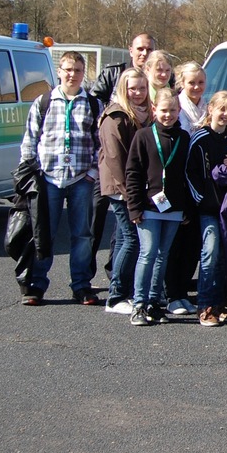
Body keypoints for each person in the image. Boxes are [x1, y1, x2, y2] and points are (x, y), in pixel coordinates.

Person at [17, 51, 101, 306]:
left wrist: (92, 173)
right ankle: (37, 285)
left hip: (80, 179)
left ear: (83, 72)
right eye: (67, 69)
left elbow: (100, 144)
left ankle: (81, 285)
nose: (72, 75)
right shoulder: (43, 101)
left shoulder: (93, 104)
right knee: (44, 233)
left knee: (83, 235)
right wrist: (31, 172)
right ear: (59, 71)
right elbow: (30, 140)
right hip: (49, 179)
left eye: (77, 70)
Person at [125, 87, 189, 326]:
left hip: (174, 208)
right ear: (154, 109)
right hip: (149, 206)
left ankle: (154, 302)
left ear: (179, 110)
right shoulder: (143, 136)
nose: (168, 115)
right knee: (148, 253)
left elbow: (185, 175)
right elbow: (132, 172)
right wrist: (134, 207)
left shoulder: (184, 138)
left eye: (173, 110)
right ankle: (139, 304)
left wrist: (186, 209)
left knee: (163, 257)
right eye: (163, 110)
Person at [185, 90, 227, 327]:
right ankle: (205, 306)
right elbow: (190, 173)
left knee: (222, 256)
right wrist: (202, 200)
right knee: (209, 253)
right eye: (221, 109)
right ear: (210, 109)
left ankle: (219, 305)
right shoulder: (199, 138)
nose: (226, 114)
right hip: (208, 208)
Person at [98, 67, 151, 314]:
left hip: (136, 186)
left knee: (123, 238)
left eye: (142, 88)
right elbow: (115, 159)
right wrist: (130, 196)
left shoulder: (144, 114)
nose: (138, 93)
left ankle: (122, 291)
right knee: (131, 239)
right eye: (133, 88)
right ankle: (116, 296)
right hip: (121, 189)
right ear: (123, 89)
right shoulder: (116, 116)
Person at [167, 61, 207, 314]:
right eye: (191, 82)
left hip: (200, 184)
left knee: (193, 244)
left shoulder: (207, 106)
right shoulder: (176, 107)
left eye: (201, 82)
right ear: (182, 82)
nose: (196, 87)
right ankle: (172, 294)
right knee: (175, 243)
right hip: (178, 183)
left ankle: (184, 292)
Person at [91, 33, 155, 102]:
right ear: (131, 51)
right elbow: (94, 101)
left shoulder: (162, 77)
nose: (145, 53)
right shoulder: (113, 73)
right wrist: (114, 110)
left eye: (149, 50)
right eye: (140, 49)